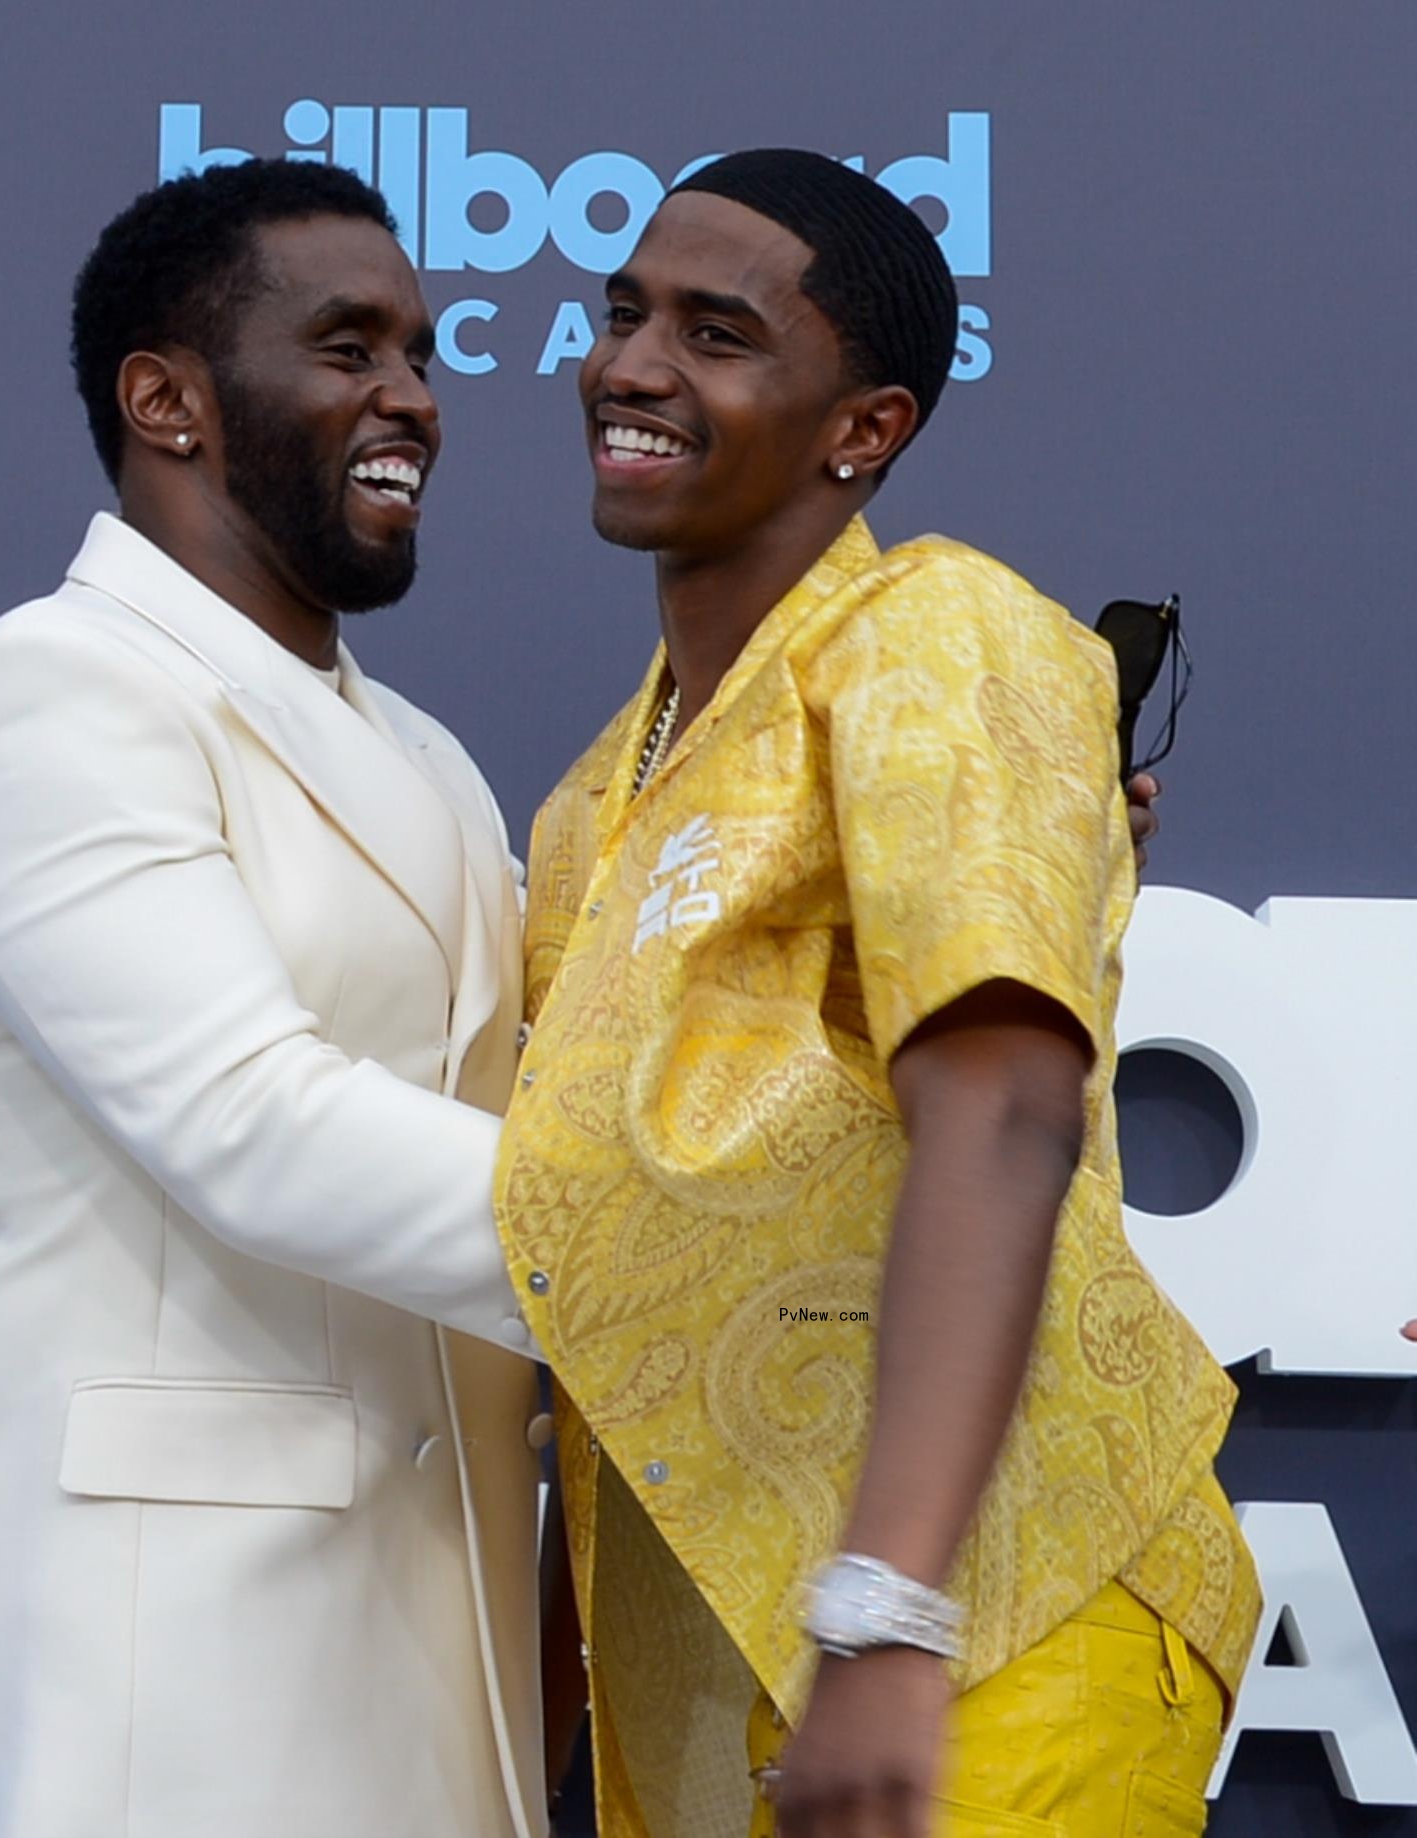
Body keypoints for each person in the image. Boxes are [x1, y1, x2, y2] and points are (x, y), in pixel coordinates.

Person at [495, 150, 1258, 1838]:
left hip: (992, 1628)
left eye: (717, 333)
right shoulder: (577, 812)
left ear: (866, 427)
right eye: (624, 317)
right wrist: (529, 1726)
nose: (632, 366)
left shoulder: (942, 629)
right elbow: (602, 1308)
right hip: (704, 1690)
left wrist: (891, 1612)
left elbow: (1000, 1101)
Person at [0, 159, 551, 1838]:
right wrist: (720, 1256)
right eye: (348, 348)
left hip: (441, 1633)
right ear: (167, 401)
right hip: (160, 1648)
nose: (413, 397)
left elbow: (566, 1087)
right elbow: (251, 1125)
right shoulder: (55, 688)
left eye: (421, 349)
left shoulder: (428, 755)